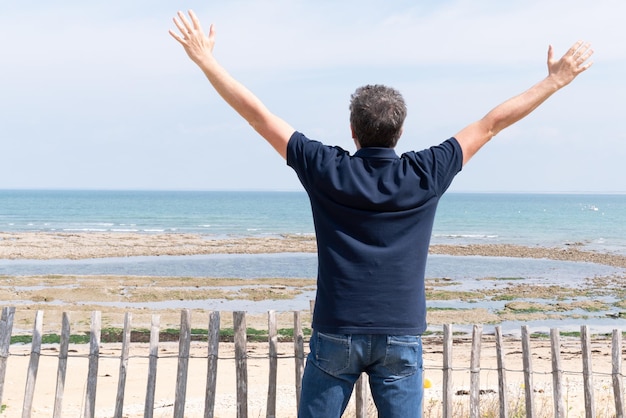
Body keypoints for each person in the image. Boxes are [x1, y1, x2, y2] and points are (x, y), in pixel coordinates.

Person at [169, 10, 593, 418]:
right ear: (400, 131)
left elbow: (259, 118)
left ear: (352, 131)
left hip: (337, 329)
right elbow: (491, 124)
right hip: (400, 333)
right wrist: (555, 80)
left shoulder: (326, 169)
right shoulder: (426, 171)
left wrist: (206, 60)